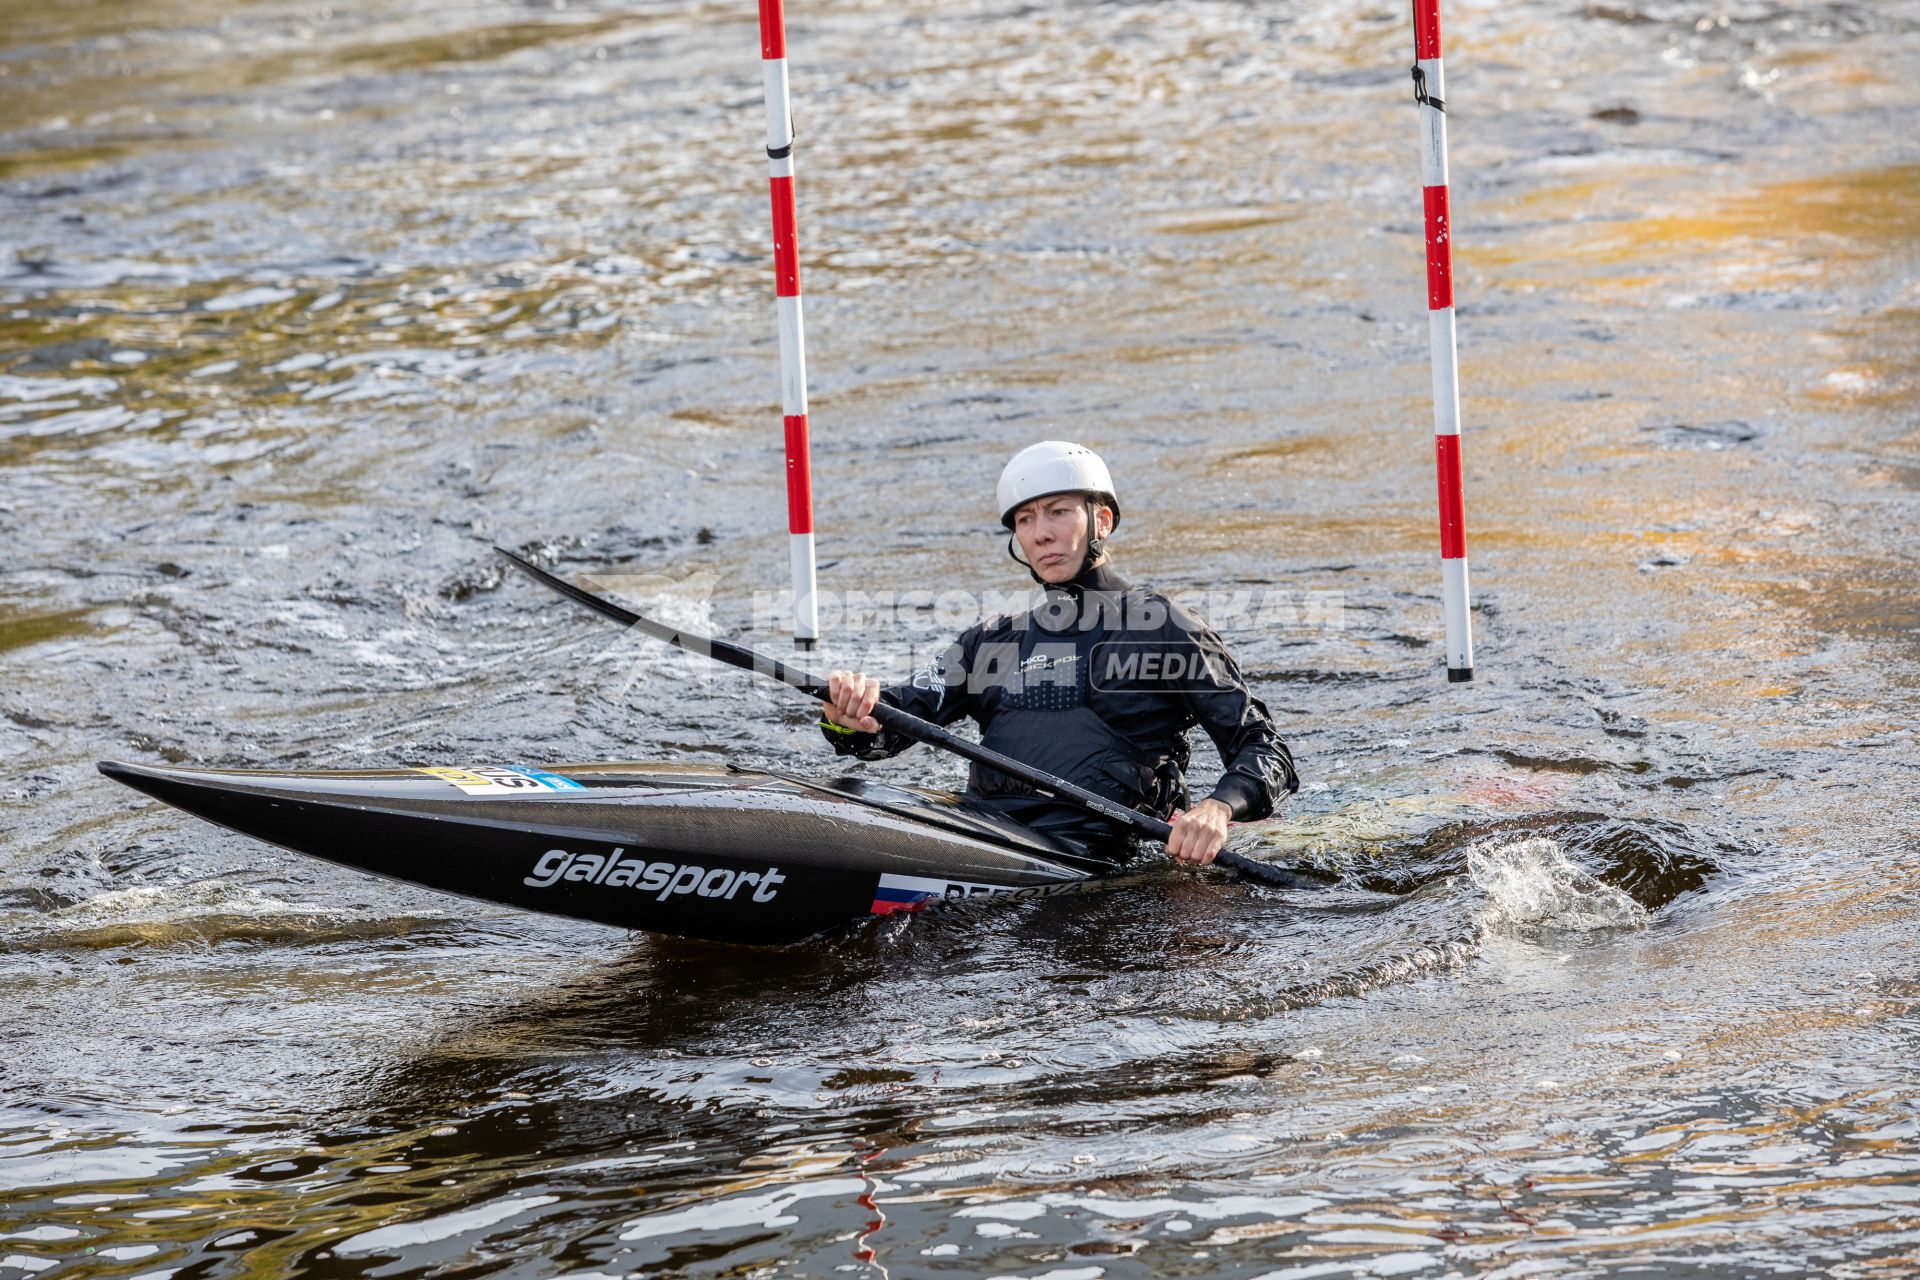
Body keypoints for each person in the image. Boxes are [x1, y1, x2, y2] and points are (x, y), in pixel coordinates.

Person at [820, 440, 1298, 866]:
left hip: (1099, 854)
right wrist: (851, 713)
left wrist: (1216, 809)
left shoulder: (1165, 628)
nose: (1040, 533)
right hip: (982, 834)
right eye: (1025, 520)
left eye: (1057, 511)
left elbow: (1265, 749)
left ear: (1102, 521)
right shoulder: (991, 641)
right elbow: (888, 727)